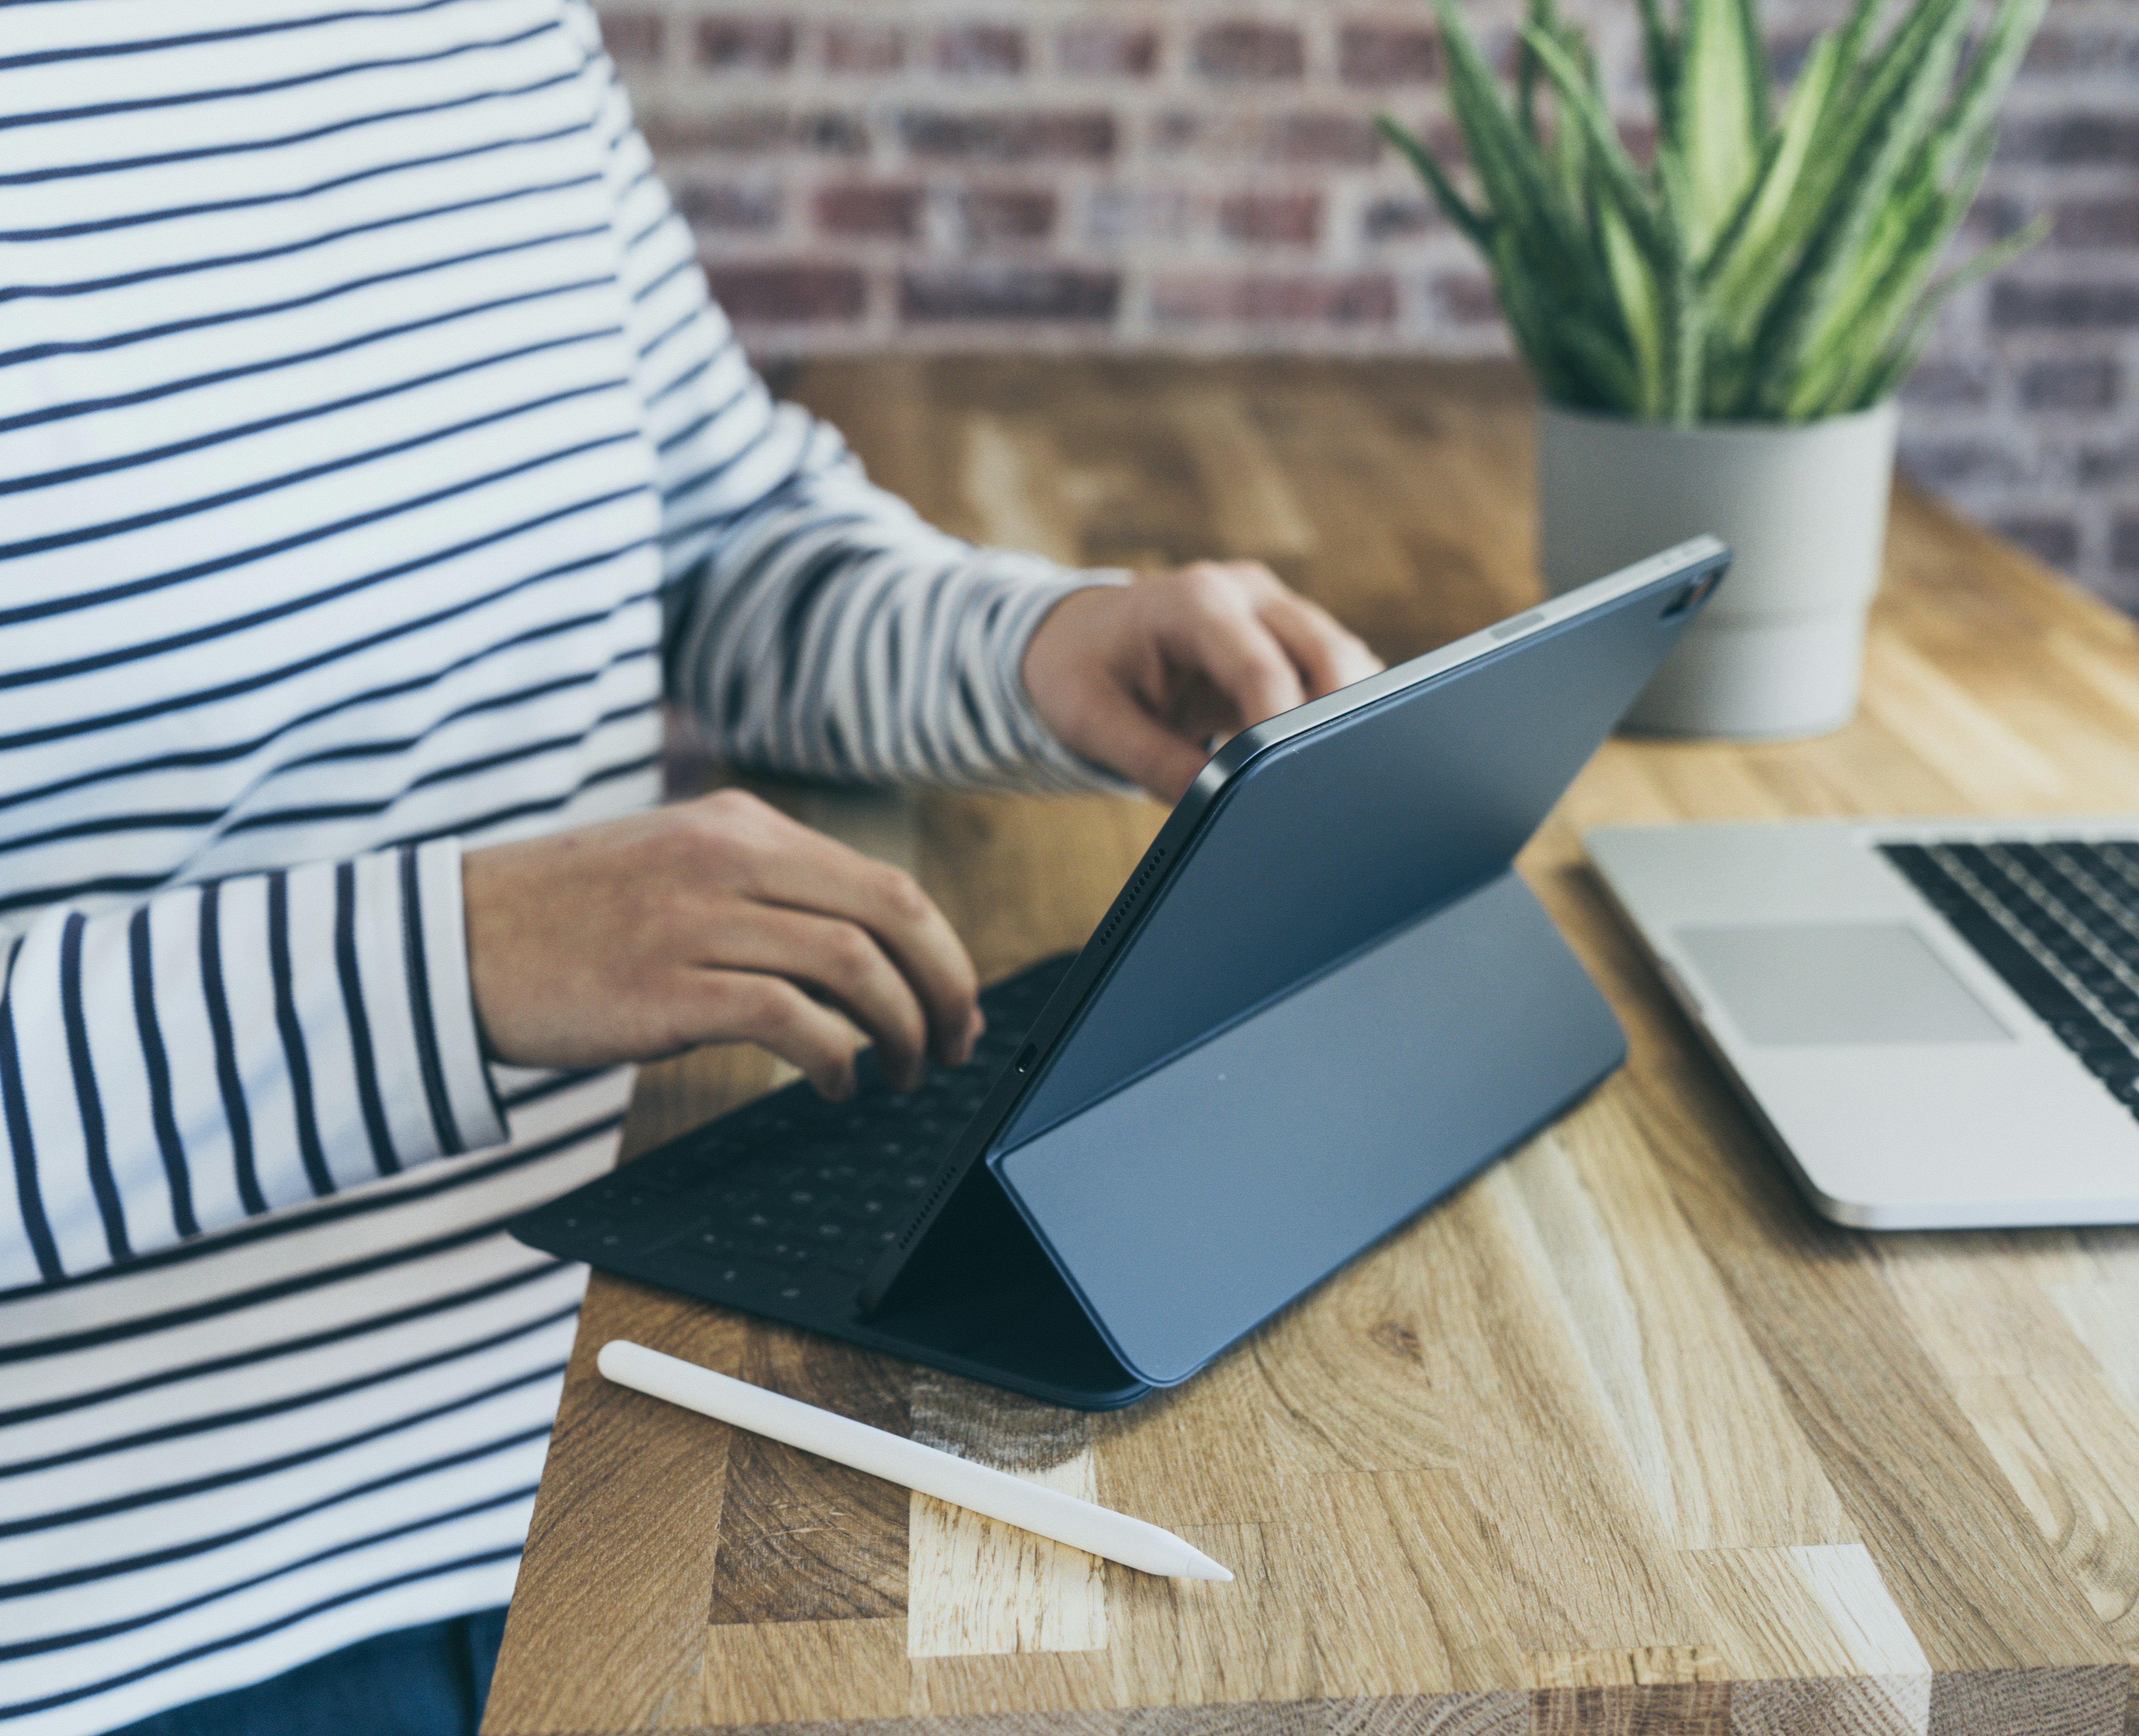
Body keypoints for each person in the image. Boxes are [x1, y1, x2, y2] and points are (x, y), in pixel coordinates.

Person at [0, 4, 1381, 1733]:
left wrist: (1035, 645)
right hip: (136, 1636)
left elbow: (715, 532)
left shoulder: (475, 29)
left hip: (618, 1446)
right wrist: (454, 960)